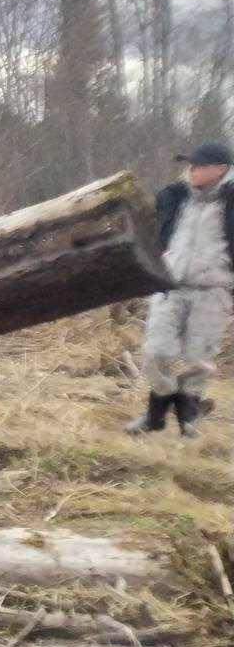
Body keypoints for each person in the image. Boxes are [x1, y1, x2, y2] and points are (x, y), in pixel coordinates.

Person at [126, 141, 234, 438]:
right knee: (155, 351)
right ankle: (159, 411)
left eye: (199, 165)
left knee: (198, 356)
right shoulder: (173, 196)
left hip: (213, 289)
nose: (192, 169)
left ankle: (188, 419)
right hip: (168, 286)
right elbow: (153, 234)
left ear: (221, 170)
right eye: (190, 164)